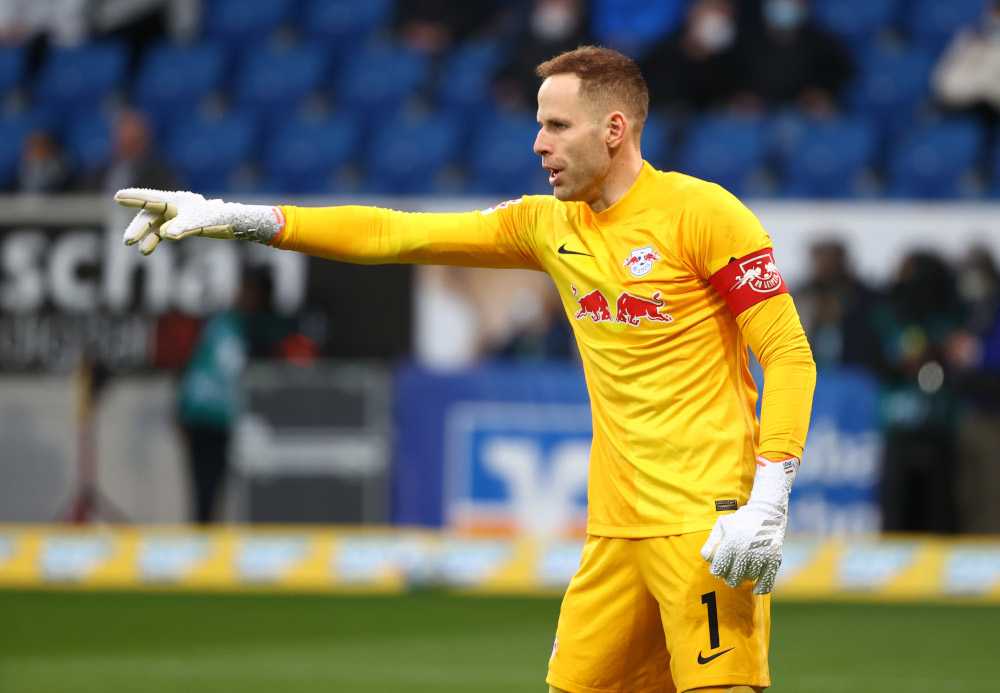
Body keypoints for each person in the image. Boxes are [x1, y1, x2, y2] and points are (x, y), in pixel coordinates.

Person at [115, 46, 816, 693]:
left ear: (613, 129)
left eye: (556, 125)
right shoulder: (547, 224)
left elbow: (788, 352)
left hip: (708, 524)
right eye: (538, 124)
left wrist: (769, 498)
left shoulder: (704, 215)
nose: (538, 143)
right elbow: (397, 233)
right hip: (615, 530)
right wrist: (236, 217)